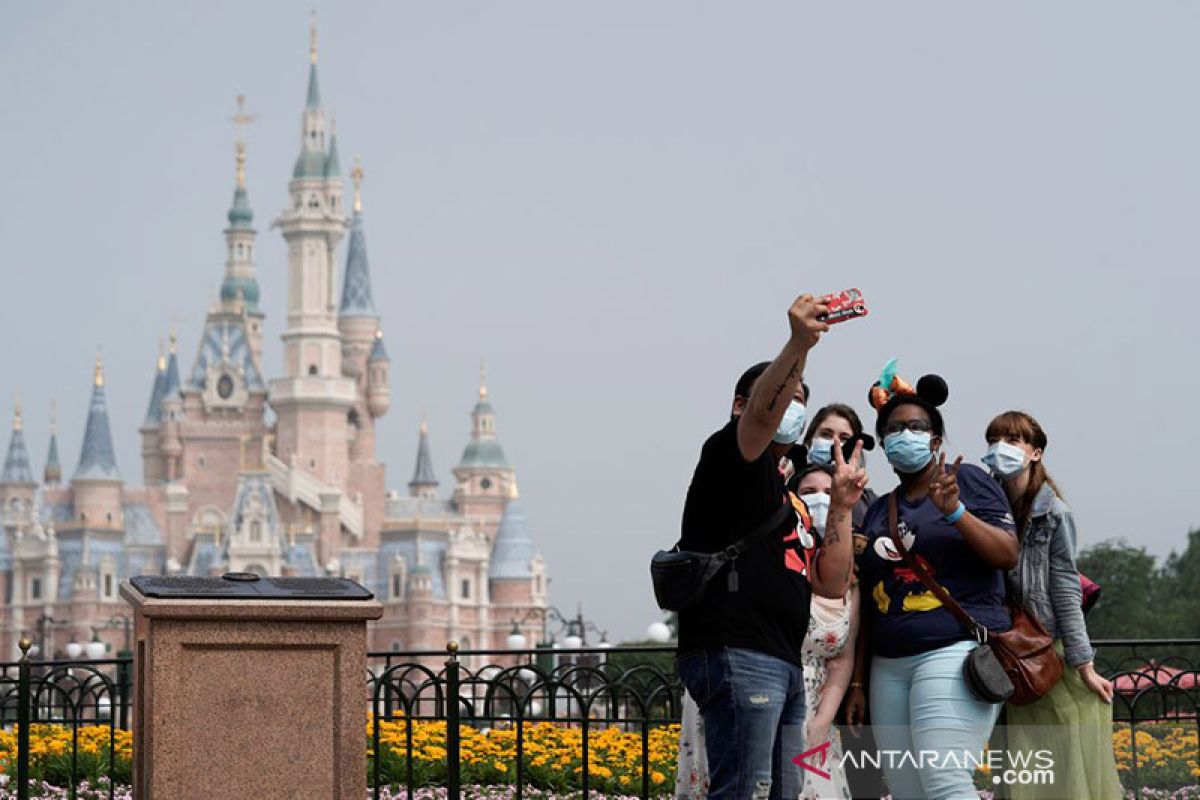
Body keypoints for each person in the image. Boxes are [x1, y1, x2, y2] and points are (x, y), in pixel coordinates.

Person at [675, 293, 866, 800]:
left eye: (801, 401)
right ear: (743, 406)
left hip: (779, 660)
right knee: (743, 790)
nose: (792, 409)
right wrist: (799, 345)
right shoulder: (730, 457)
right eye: (787, 398)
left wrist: (842, 507)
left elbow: (829, 583)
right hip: (738, 650)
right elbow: (762, 413)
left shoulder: (791, 498)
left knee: (782, 791)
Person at [855, 366, 1019, 800]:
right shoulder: (879, 510)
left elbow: (1007, 553)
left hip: (950, 652)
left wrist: (956, 513)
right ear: (885, 447)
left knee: (945, 782)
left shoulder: (967, 481)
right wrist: (857, 681)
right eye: (893, 429)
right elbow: (867, 606)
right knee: (909, 791)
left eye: (915, 426)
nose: (903, 434)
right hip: (888, 666)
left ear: (935, 439)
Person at [675, 463, 859, 800]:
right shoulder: (766, 554)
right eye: (808, 492)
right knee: (744, 785)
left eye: (828, 492)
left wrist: (821, 720)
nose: (820, 499)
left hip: (807, 704)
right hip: (751, 678)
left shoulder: (843, 576)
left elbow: (842, 655)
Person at [983, 411, 1122, 800]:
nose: (1001, 449)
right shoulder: (982, 504)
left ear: (1035, 453)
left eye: (1013, 441)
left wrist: (1085, 665)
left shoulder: (1052, 513)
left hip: (1039, 649)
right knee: (1015, 765)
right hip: (995, 653)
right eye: (994, 440)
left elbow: (1065, 589)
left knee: (1058, 761)